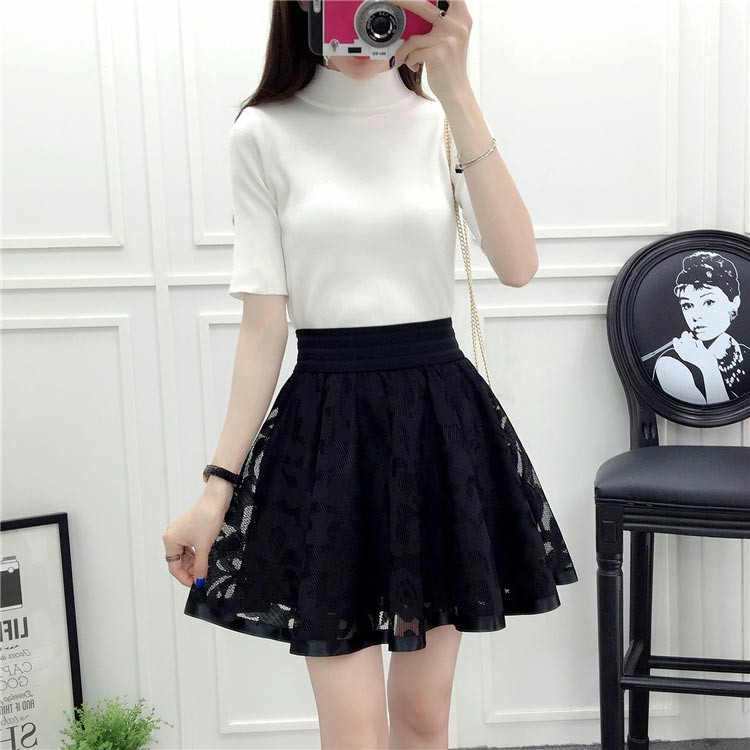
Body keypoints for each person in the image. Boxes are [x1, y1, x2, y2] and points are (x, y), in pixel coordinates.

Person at [163, 1, 578, 747]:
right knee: (352, 730)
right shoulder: (264, 133)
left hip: (437, 425)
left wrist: (457, 88)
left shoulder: (440, 122)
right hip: (329, 436)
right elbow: (263, 330)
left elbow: (518, 265)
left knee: (423, 716)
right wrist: (216, 489)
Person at [649, 250, 749, 404]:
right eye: (688, 305)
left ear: (734, 303)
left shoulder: (745, 353)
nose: (696, 316)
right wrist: (708, 367)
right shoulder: (670, 364)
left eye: (708, 302)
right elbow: (716, 415)